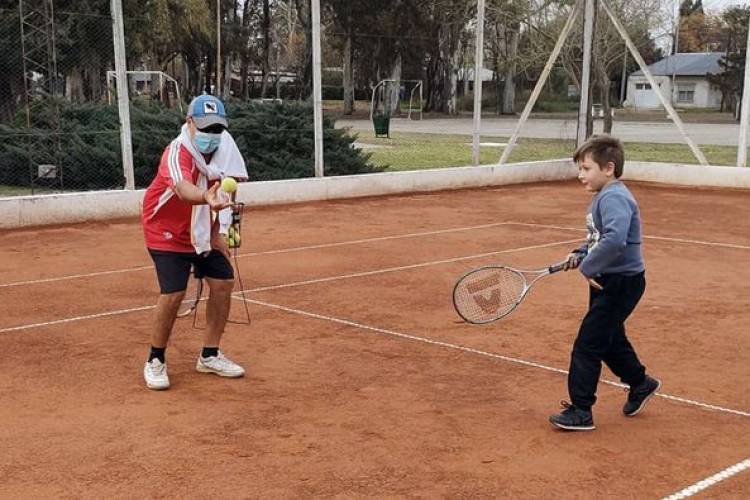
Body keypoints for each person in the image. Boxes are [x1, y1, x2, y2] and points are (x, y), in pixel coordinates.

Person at [549, 135, 660, 431]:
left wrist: (588, 267)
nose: (580, 175)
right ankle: (640, 383)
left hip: (620, 283)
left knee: (588, 344)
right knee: (608, 340)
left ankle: (581, 410)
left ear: (608, 168)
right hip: (609, 279)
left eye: (586, 168)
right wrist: (580, 253)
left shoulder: (614, 197)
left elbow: (615, 240)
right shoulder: (606, 196)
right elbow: (599, 240)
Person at [140, 94, 245, 390]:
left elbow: (228, 190)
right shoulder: (177, 151)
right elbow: (184, 189)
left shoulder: (225, 148)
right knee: (173, 293)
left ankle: (209, 355)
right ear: (189, 123)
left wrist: (218, 233)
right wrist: (205, 198)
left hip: (201, 228)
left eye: (217, 129)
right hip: (165, 229)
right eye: (206, 128)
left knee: (223, 282)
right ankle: (155, 359)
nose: (212, 135)